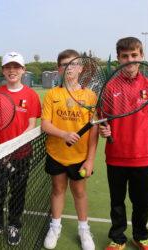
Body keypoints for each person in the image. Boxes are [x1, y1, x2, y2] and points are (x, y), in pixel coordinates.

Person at [100, 37, 148, 250]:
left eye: (134, 55)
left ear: (141, 55)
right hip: (116, 156)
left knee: (141, 203)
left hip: (143, 157)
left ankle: (140, 236)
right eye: (125, 56)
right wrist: (104, 129)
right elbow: (103, 120)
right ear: (118, 58)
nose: (130, 59)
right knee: (117, 203)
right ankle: (118, 239)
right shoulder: (109, 87)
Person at [0, 51, 42, 246]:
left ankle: (14, 225)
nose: (12, 70)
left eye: (16, 67)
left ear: (23, 70)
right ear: (3, 71)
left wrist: (14, 147)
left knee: (18, 192)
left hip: (22, 154)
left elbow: (31, 125)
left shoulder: (31, 95)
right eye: (8, 67)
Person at [41, 49, 98, 250]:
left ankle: (84, 229)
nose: (69, 68)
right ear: (59, 69)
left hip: (79, 157)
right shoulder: (52, 94)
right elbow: (45, 125)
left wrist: (90, 159)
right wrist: (64, 134)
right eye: (64, 65)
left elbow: (94, 130)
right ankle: (55, 227)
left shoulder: (90, 96)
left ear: (81, 68)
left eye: (73, 64)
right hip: (56, 153)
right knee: (57, 190)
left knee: (79, 192)